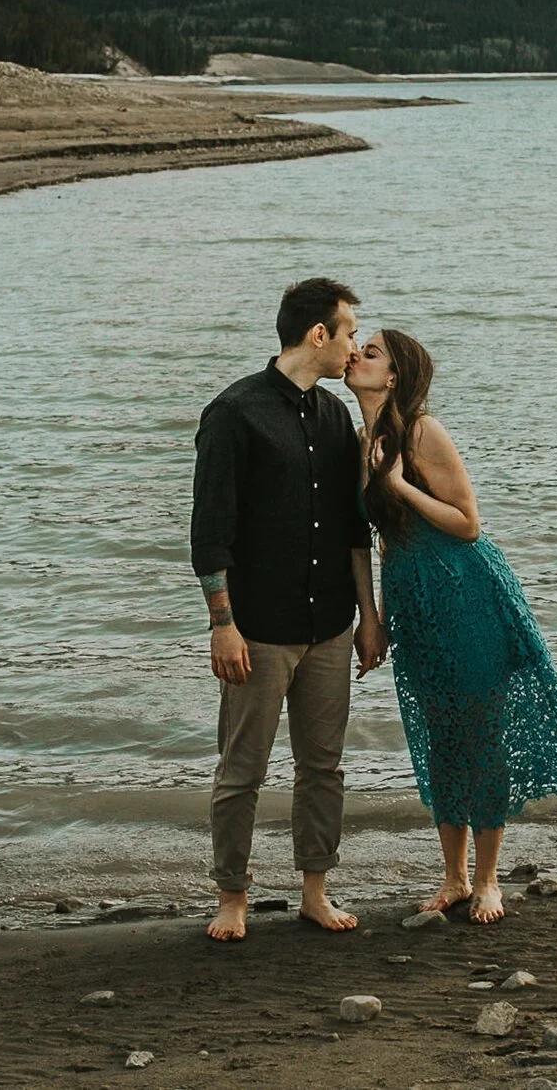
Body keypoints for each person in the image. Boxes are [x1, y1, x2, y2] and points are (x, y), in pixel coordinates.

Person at [345, 327, 557, 924]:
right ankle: (454, 878)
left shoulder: (422, 431)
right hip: (414, 603)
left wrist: (398, 484)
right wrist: (372, 617)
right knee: (439, 735)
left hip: (467, 593)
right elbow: (369, 539)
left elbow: (468, 524)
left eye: (372, 351)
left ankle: (488, 881)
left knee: (480, 734)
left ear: (394, 377)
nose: (357, 353)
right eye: (359, 346)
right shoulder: (360, 441)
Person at [190, 277, 388, 943]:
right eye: (349, 331)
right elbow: (209, 534)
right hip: (257, 630)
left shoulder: (334, 418)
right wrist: (223, 624)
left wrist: (369, 618)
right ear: (318, 333)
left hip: (330, 625)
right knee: (241, 772)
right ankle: (232, 896)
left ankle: (315, 892)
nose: (355, 345)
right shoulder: (234, 413)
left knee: (323, 768)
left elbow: (355, 531)